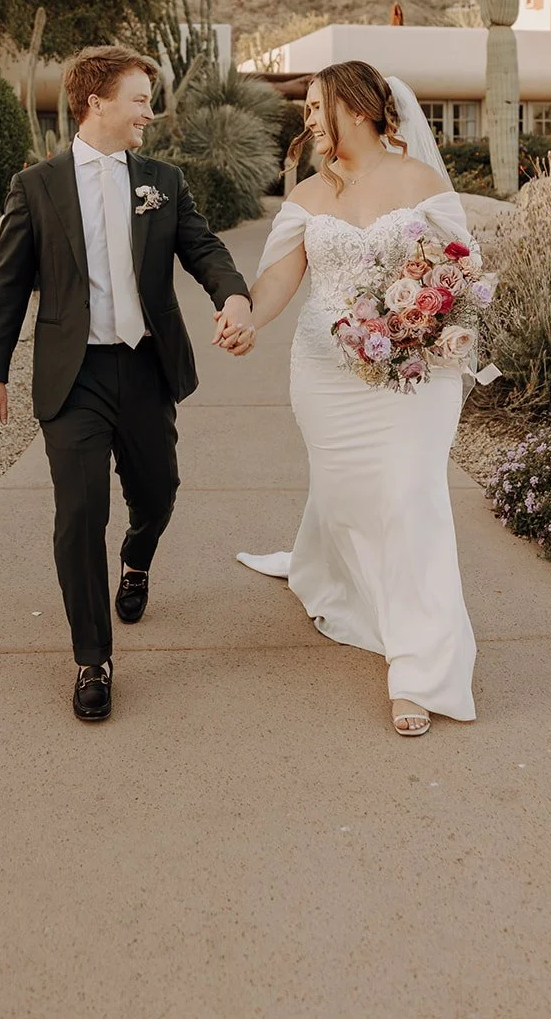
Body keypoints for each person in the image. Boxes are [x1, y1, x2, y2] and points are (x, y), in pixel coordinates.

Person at [0, 45, 253, 723]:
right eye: (136, 99)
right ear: (95, 102)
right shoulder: (35, 187)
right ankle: (91, 659)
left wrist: (235, 298)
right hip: (73, 376)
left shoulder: (162, 179)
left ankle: (137, 557)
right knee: (78, 516)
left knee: (158, 493)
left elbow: (204, 249)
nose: (147, 112)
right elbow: (8, 285)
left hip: (145, 365)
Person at [227, 61, 477, 736]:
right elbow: (280, 278)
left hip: (415, 371)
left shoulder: (420, 183)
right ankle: (327, 571)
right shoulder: (307, 194)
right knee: (346, 499)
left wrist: (419, 317)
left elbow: (459, 268)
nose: (307, 119)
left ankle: (417, 669)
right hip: (325, 373)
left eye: (316, 106)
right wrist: (247, 318)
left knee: (408, 498)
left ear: (359, 109)